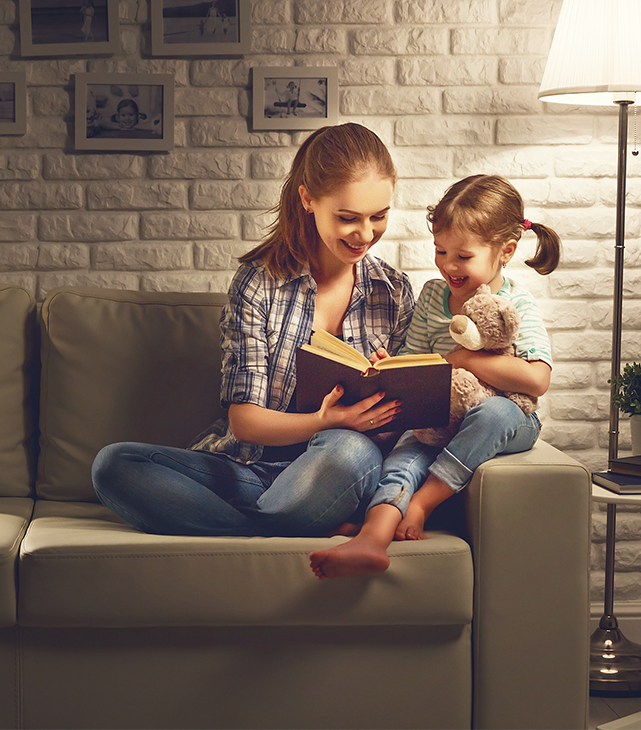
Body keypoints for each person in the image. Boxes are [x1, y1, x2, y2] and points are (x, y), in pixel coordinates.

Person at [92, 123, 416, 554]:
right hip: (249, 469)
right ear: (307, 200)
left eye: (379, 216)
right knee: (114, 465)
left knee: (350, 453)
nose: (365, 234)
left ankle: (267, 521)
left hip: (332, 468)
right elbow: (246, 422)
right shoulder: (259, 282)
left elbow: (403, 429)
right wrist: (325, 419)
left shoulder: (393, 292)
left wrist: (383, 400)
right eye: (347, 217)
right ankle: (276, 527)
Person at [309, 174, 561, 579]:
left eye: (463, 256)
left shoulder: (515, 303)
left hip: (510, 417)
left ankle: (425, 502)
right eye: (440, 251)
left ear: (506, 252)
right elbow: (416, 358)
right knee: (407, 453)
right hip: (441, 415)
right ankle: (372, 538)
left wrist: (465, 359)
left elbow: (536, 380)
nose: (447, 265)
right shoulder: (431, 296)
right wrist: (390, 368)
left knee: (493, 412)